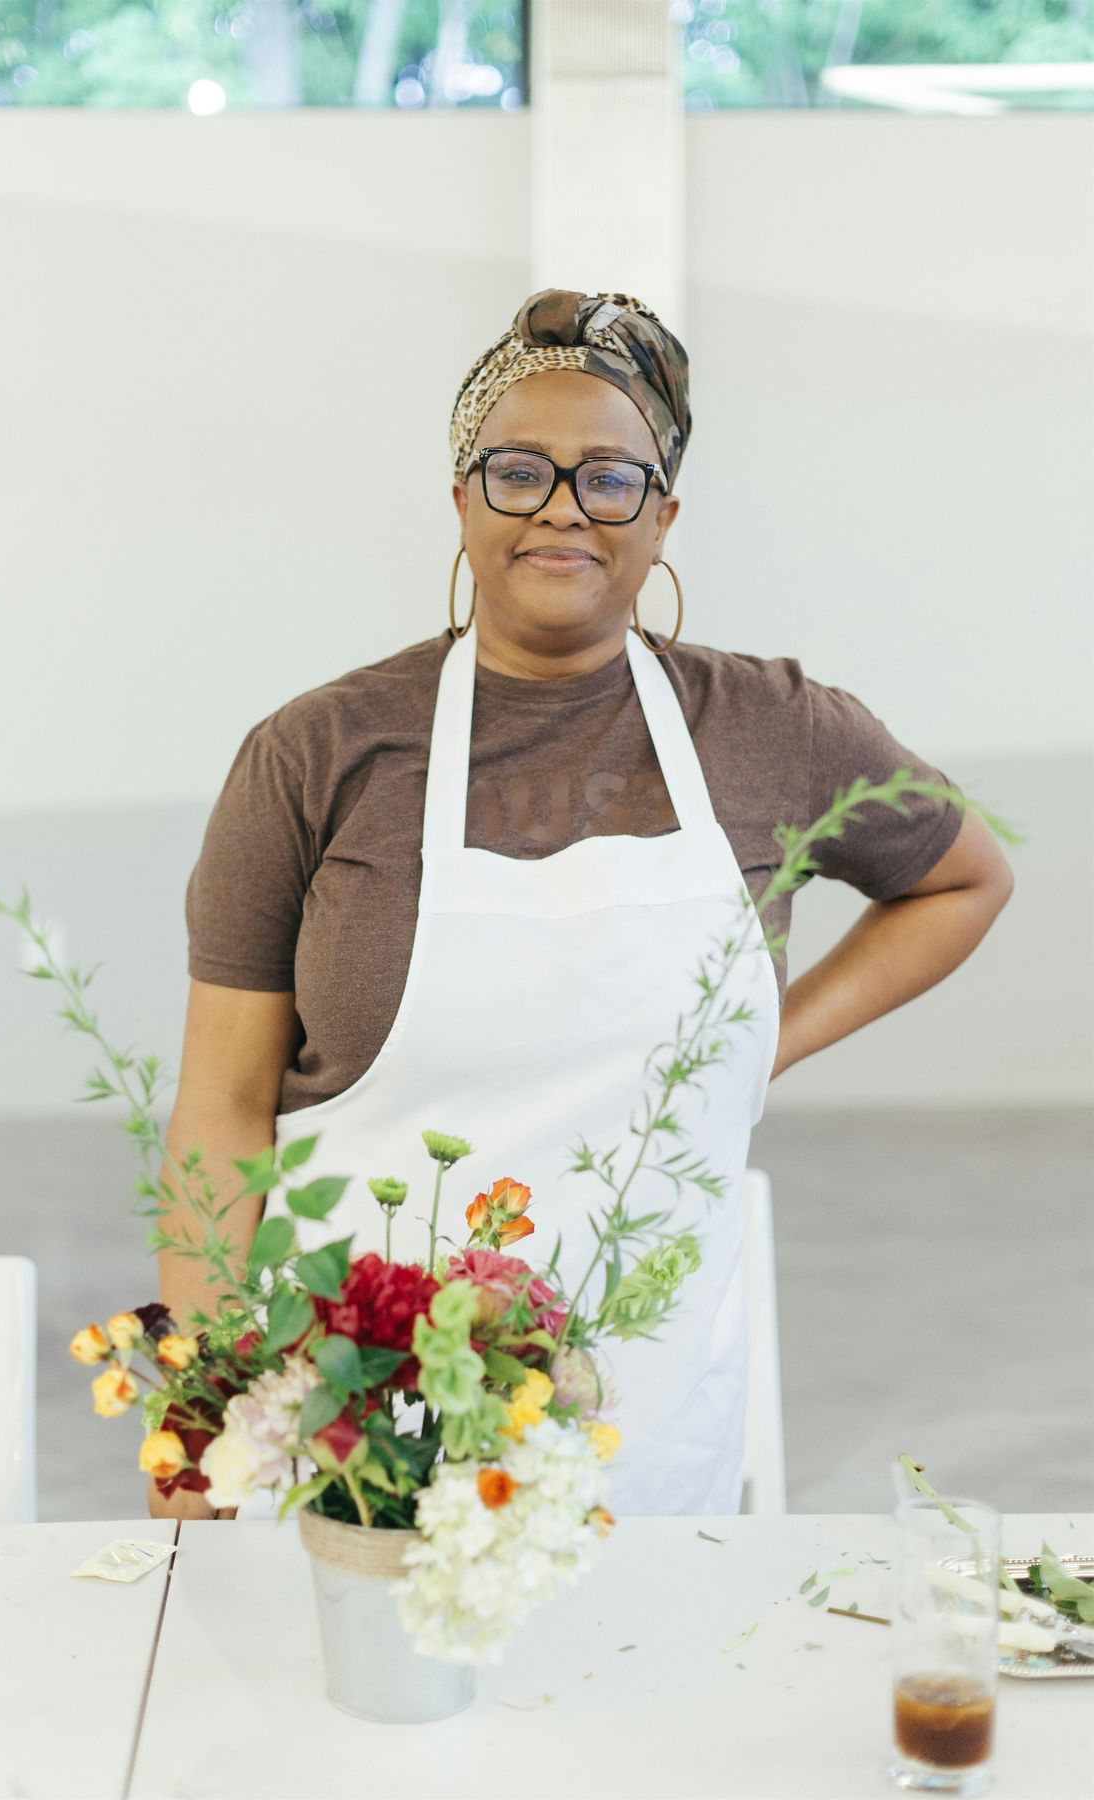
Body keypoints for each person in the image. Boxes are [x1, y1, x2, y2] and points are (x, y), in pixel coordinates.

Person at [148, 288, 1013, 1522]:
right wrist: (199, 1415)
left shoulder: (774, 728)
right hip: (346, 1411)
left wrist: (763, 1040)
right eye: (520, 471)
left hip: (644, 1429)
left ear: (662, 515)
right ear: (460, 498)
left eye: (609, 478)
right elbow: (220, 1110)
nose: (563, 506)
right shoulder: (317, 752)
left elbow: (965, 876)